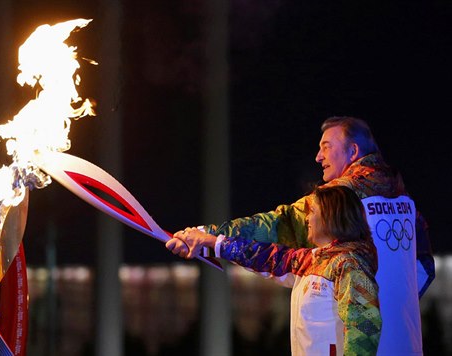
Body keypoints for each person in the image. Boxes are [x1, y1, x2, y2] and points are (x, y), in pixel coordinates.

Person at [170, 116, 434, 355]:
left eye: (327, 146)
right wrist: (384, 303)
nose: (318, 157)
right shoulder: (403, 200)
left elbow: (277, 226)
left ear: (353, 151)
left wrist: (205, 234)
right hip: (405, 344)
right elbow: (424, 269)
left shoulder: (339, 199)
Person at [167, 185, 382, 355]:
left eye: (312, 212)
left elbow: (365, 326)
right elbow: (264, 256)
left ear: (330, 216)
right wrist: (211, 242)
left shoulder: (349, 265)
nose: (306, 218)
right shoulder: (310, 260)